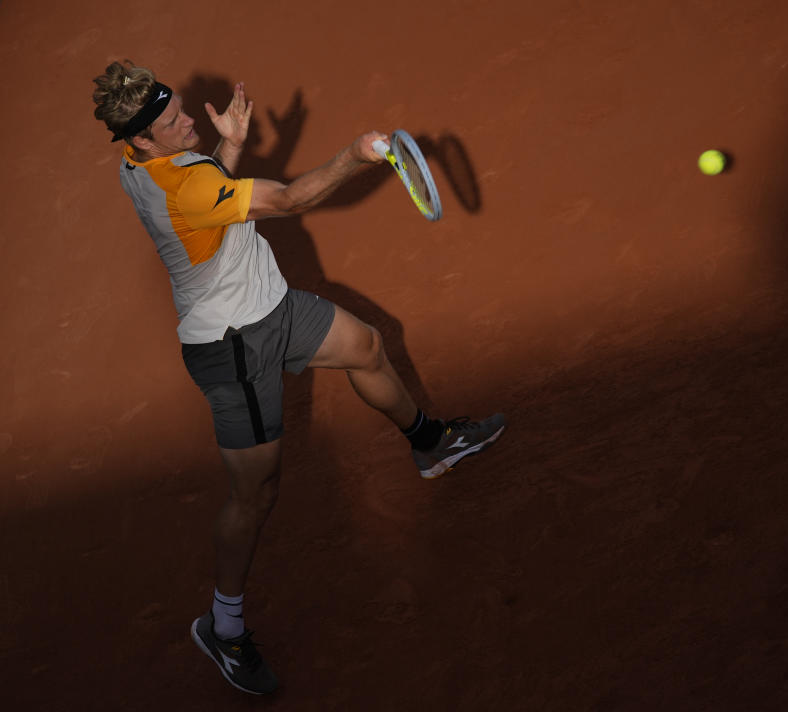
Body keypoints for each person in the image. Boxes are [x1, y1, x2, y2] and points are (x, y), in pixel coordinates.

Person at [92, 60, 506, 696]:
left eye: (178, 109)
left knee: (367, 347)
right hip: (233, 348)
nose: (185, 120)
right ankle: (223, 627)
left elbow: (207, 197)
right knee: (255, 495)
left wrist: (227, 146)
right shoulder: (186, 186)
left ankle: (429, 443)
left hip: (270, 304)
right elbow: (289, 199)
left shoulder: (138, 166)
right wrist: (357, 154)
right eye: (173, 122)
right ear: (143, 139)